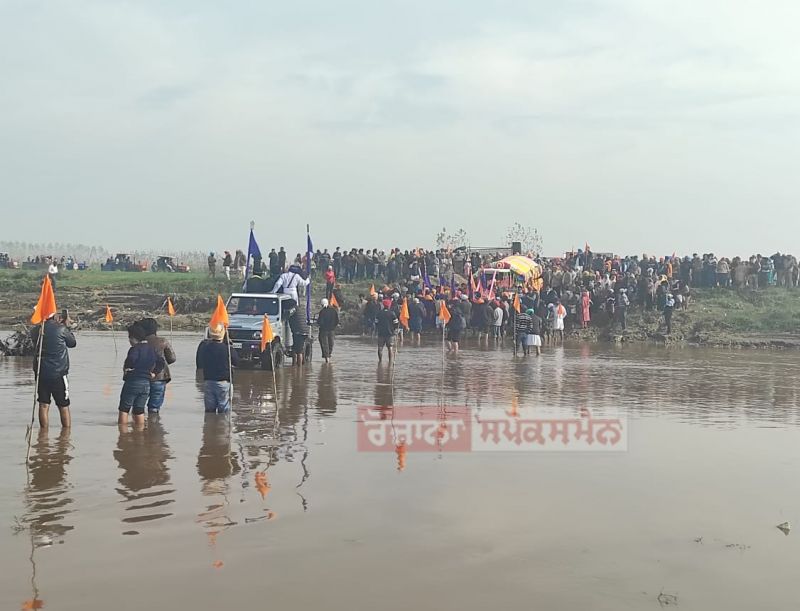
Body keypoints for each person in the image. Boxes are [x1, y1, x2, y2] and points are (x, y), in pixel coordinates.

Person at [31, 312, 76, 428]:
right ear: (55, 316)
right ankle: (66, 434)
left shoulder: (36, 330)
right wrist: (67, 326)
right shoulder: (61, 329)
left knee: (43, 404)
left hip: (41, 373)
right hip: (58, 373)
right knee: (63, 406)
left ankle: (43, 434)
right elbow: (72, 343)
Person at [119, 322, 165, 427]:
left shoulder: (135, 349)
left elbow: (131, 359)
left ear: (133, 338)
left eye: (129, 338)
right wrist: (154, 373)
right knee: (139, 410)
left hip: (133, 382)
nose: (129, 341)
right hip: (146, 383)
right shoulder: (151, 349)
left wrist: (128, 367)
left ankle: (122, 432)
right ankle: (140, 432)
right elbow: (161, 362)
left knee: (124, 409)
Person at [196, 323, 239, 413]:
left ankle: (210, 422)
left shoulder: (205, 347)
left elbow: (200, 363)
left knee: (209, 411)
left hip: (208, 381)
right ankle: (220, 422)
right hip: (223, 383)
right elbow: (236, 361)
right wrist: (230, 346)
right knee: (224, 412)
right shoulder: (227, 349)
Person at [140, 318, 176, 415]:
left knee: (139, 406)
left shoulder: (139, 343)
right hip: (159, 378)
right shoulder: (163, 341)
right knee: (154, 407)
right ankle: (153, 422)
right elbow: (172, 358)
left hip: (142, 377)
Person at [376, 298, 399, 362]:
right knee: (390, 347)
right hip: (390, 333)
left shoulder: (379, 313)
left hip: (381, 333)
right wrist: (395, 329)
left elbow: (376, 322)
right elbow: (396, 323)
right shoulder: (392, 313)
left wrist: (378, 329)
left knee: (380, 347)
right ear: (389, 305)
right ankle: (390, 361)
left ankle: (380, 361)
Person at [317, 298, 339, 363]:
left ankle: (327, 359)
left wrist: (319, 324)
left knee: (325, 344)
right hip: (331, 330)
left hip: (323, 331)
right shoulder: (333, 311)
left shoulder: (322, 312)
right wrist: (333, 327)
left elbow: (320, 321)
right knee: (331, 344)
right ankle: (329, 356)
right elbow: (337, 321)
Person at [288, 301, 309, 366]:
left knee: (299, 351)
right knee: (295, 348)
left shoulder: (293, 309)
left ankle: (299, 368)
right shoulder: (300, 309)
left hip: (299, 332)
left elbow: (287, 315)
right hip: (304, 331)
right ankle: (294, 365)